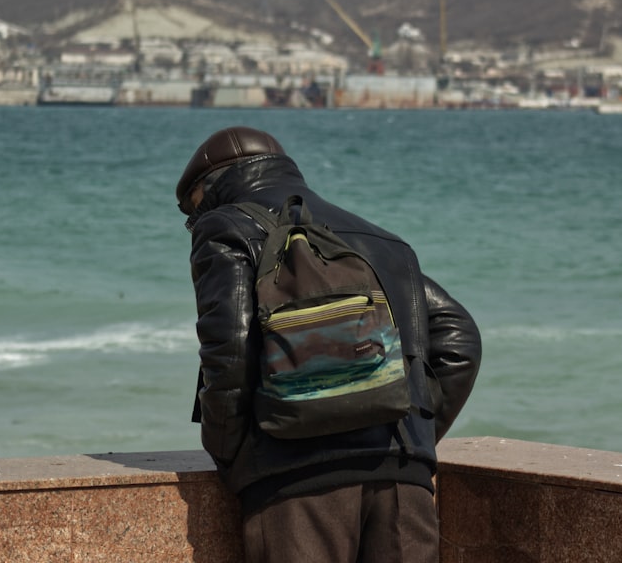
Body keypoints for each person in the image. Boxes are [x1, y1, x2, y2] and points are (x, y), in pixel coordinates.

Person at [176, 126, 482, 563]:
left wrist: (236, 457)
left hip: (296, 482)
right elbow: (459, 337)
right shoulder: (378, 240)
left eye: (191, 210)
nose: (193, 221)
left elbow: (230, 350)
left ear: (206, 191)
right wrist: (414, 433)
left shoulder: (224, 226)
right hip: (401, 475)